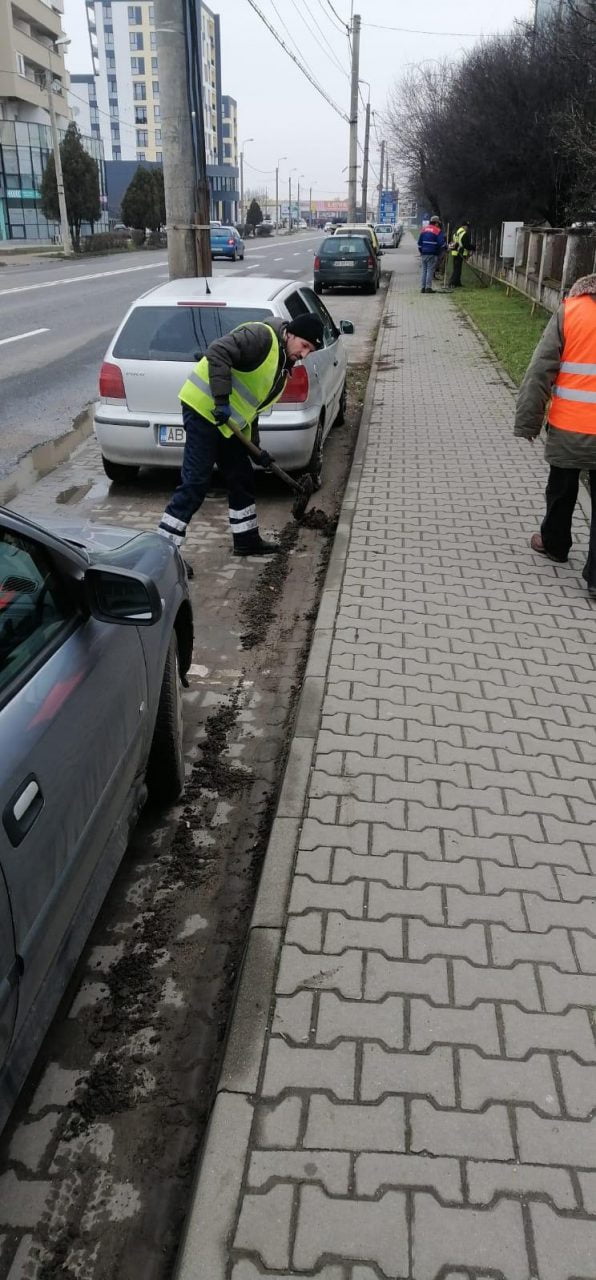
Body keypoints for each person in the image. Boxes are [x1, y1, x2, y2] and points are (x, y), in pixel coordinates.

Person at [158, 312, 325, 562]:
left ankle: (246, 540)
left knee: (241, 476)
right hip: (204, 411)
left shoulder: (282, 365)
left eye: (310, 350)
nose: (304, 354)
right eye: (304, 345)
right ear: (291, 334)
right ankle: (164, 553)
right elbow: (217, 352)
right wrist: (221, 401)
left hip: (226, 423)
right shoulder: (261, 337)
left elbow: (250, 409)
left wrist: (255, 449)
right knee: (195, 483)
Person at [514, 273, 596, 594]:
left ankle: (555, 544)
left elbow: (540, 370)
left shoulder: (571, 311)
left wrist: (528, 421)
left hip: (570, 426)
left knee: (561, 489)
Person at [417, 215, 447, 293]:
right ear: (436, 223)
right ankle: (428, 288)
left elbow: (419, 243)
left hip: (424, 253)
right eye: (438, 223)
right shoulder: (437, 230)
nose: (438, 225)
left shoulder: (424, 229)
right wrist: (446, 247)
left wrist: (421, 251)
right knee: (430, 270)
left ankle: (423, 287)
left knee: (424, 270)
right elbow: (441, 243)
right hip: (432, 254)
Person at [448, 221, 474, 288]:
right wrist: (473, 247)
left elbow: (454, 242)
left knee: (457, 268)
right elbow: (466, 245)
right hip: (460, 253)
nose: (467, 228)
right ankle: (452, 283)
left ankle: (457, 283)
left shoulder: (456, 233)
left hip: (455, 252)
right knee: (457, 269)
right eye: (467, 227)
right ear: (464, 226)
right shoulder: (463, 234)